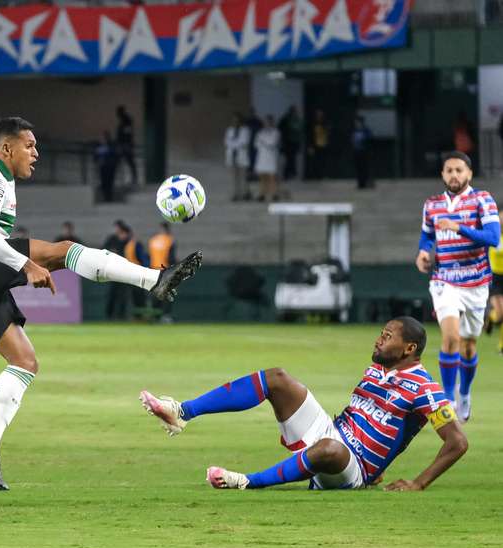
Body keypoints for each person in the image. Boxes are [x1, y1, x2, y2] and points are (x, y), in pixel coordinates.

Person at [0, 116, 204, 490]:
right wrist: (27, 263)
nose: (36, 153)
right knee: (63, 251)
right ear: (6, 148)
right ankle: (153, 280)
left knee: (25, 362)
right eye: (29, 145)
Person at [140, 317, 468, 491]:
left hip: (352, 467)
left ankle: (246, 481)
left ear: (409, 348)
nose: (378, 340)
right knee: (277, 378)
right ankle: (182, 412)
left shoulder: (425, 390)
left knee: (330, 449)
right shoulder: (377, 369)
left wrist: (418, 483)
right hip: (332, 432)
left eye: (387, 336)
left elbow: (457, 443)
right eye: (380, 333)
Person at [416, 151, 500, 421]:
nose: (454, 175)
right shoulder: (432, 204)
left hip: (475, 282)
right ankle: (448, 399)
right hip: (444, 280)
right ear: (442, 174)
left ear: (469, 174)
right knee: (450, 337)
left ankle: (465, 394)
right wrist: (424, 252)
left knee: (468, 346)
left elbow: (493, 237)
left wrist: (459, 227)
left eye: (459, 170)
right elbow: (427, 235)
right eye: (449, 170)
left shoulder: (482, 200)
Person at [148, 222, 177, 322]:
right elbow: (171, 258)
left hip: (153, 270)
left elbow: (149, 256)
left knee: (154, 294)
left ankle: (155, 315)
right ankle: (166, 316)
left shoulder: (153, 240)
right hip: (165, 270)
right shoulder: (170, 240)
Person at [224, 113, 251, 202]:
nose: (235, 122)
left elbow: (244, 143)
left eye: (237, 120)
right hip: (232, 156)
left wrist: (234, 143)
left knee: (243, 176)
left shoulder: (245, 130)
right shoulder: (230, 130)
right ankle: (235, 194)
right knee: (234, 178)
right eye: (234, 120)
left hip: (241, 156)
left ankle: (245, 194)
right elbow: (227, 143)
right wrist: (235, 143)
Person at [254, 115, 280, 202]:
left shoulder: (276, 132)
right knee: (262, 177)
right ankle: (262, 194)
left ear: (272, 122)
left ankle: (274, 194)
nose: (267, 124)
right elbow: (256, 144)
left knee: (271, 177)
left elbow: (271, 143)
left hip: (271, 157)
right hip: (262, 157)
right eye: (265, 122)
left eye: (269, 122)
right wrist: (263, 142)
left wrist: (263, 142)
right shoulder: (260, 133)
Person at [485, 237, 503, 354]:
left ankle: (502, 346)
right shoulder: (494, 237)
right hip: (496, 279)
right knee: (500, 314)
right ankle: (492, 317)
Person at [278, 106, 302, 181]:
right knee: (289, 159)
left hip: (294, 142)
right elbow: (281, 129)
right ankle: (288, 174)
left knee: (292, 159)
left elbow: (299, 131)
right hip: (288, 142)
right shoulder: (286, 119)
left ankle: (290, 173)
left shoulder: (296, 119)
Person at [94, 131, 118, 203]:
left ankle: (109, 197)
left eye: (103, 138)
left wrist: (106, 151)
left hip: (110, 167)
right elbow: (95, 157)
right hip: (102, 167)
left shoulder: (111, 145)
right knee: (104, 183)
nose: (102, 139)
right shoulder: (99, 146)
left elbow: (115, 154)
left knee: (109, 183)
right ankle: (106, 197)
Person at [115, 106, 137, 185]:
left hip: (125, 145)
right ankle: (131, 178)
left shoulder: (127, 121)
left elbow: (127, 133)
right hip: (124, 144)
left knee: (129, 162)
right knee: (128, 162)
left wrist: (124, 144)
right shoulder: (124, 121)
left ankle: (134, 179)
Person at [352, 114, 373, 190]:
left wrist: (364, 140)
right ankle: (360, 183)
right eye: (356, 122)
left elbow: (370, 138)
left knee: (365, 168)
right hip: (357, 152)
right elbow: (353, 140)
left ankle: (365, 183)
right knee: (358, 168)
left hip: (364, 152)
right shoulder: (355, 131)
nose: (356, 124)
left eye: (358, 122)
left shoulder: (366, 130)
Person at [309, 109, 329, 179]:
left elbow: (327, 133)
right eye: (318, 114)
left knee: (323, 161)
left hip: (323, 144)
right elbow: (311, 135)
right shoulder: (313, 123)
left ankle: (322, 175)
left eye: (320, 114)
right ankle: (315, 175)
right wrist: (310, 146)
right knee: (315, 161)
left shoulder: (325, 123)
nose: (319, 116)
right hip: (315, 145)